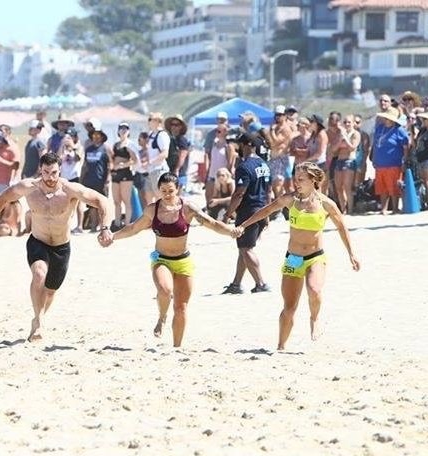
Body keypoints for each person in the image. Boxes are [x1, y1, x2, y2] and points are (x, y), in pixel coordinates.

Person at [0, 152, 112, 342]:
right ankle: (39, 322)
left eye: (54, 172)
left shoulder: (70, 189)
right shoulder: (28, 187)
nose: (50, 177)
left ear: (60, 171)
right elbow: (1, 198)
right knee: (39, 273)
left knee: (50, 291)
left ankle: (37, 318)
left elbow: (101, 200)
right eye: (46, 172)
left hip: (61, 246)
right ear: (40, 170)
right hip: (38, 241)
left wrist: (105, 228)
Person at [106, 172, 241, 347]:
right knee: (165, 290)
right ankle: (162, 318)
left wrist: (231, 231)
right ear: (159, 190)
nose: (167, 195)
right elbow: (133, 228)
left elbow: (212, 223)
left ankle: (177, 347)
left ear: (178, 189)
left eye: (171, 190)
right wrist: (113, 237)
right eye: (163, 191)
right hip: (161, 259)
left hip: (183, 261)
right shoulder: (152, 209)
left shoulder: (187, 208)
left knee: (181, 307)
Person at [234, 162, 360, 349]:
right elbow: (266, 210)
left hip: (315, 257)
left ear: (313, 180)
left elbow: (342, 227)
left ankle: (314, 318)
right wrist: (244, 225)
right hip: (293, 258)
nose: (296, 182)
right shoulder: (290, 200)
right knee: (289, 308)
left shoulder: (326, 203)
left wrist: (351, 254)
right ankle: (281, 346)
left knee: (314, 290)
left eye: (301, 179)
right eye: (295, 178)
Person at [223, 134, 272, 294]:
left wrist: (228, 213)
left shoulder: (244, 167)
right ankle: (236, 284)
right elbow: (269, 191)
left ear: (245, 145)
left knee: (246, 249)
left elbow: (239, 193)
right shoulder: (264, 164)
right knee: (244, 248)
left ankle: (261, 283)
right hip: (262, 209)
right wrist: (268, 213)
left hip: (248, 211)